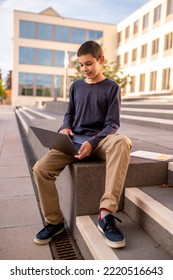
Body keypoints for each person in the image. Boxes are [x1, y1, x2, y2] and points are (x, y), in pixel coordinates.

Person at [33, 40, 132, 249]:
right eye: (81, 65)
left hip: (100, 141)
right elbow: (69, 114)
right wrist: (65, 128)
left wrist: (93, 141)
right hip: (74, 141)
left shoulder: (112, 87)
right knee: (40, 169)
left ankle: (105, 214)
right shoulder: (76, 86)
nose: (85, 69)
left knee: (123, 141)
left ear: (101, 60)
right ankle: (55, 222)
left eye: (89, 63)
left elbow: (112, 124)